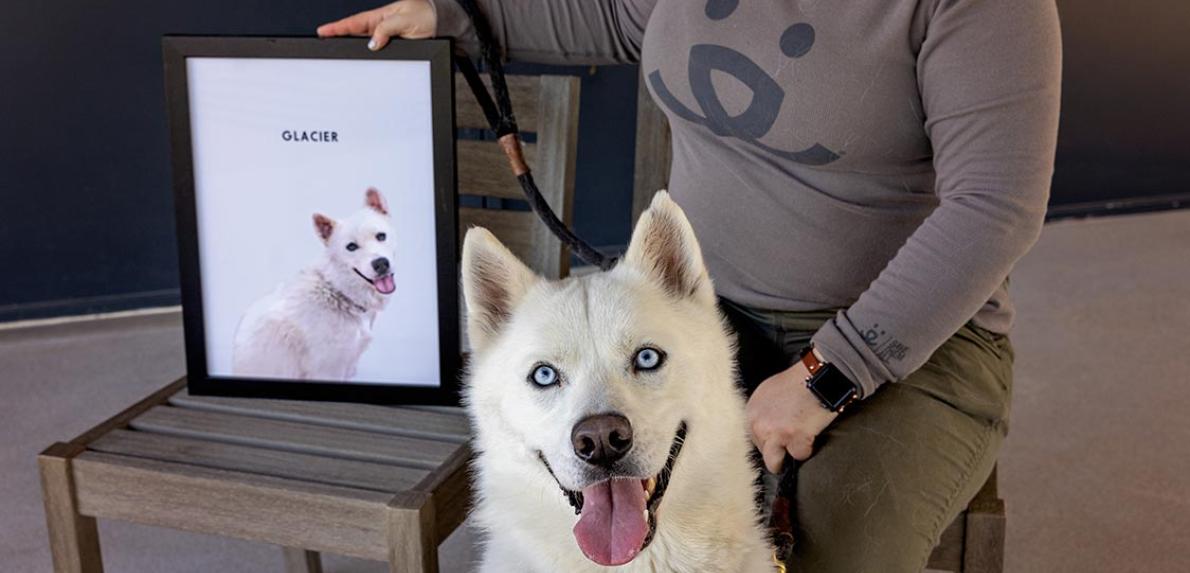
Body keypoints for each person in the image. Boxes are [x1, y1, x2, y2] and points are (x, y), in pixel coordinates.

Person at [318, 1, 1061, 570]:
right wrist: (448, 15)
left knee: (835, 537)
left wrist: (828, 375)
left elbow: (993, 209)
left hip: (910, 344)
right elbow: (610, 13)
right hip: (704, 320)